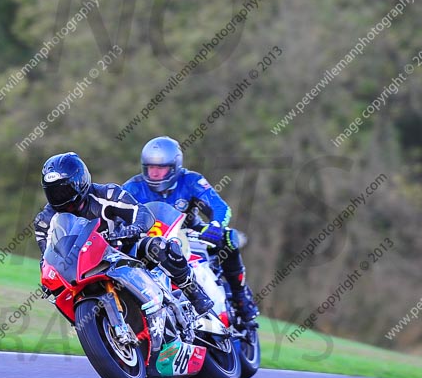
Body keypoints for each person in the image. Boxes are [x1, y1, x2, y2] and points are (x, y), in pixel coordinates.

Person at [34, 152, 214, 314]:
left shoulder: (107, 194)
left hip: (122, 249)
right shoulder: (45, 220)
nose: (61, 197)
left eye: (65, 189)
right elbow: (48, 256)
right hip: (83, 266)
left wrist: (133, 228)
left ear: (80, 181)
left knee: (158, 245)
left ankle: (194, 292)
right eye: (54, 193)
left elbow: (142, 213)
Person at [123, 137, 259, 322]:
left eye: (160, 168)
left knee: (228, 238)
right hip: (152, 242)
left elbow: (220, 207)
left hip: (192, 234)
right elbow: (117, 213)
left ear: (174, 167)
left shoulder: (191, 180)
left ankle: (241, 296)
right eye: (150, 168)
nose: (154, 174)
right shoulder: (133, 187)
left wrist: (216, 226)